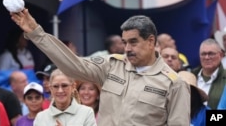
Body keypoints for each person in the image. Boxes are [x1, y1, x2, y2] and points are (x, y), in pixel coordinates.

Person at [11, 9, 190, 126]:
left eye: (133, 42)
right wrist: (36, 33)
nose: (127, 48)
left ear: (151, 41)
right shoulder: (111, 65)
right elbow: (73, 66)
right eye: (125, 42)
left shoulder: (174, 83)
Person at [192, 38, 226, 109]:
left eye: (211, 54)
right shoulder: (191, 76)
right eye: (203, 54)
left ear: (220, 55)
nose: (207, 57)